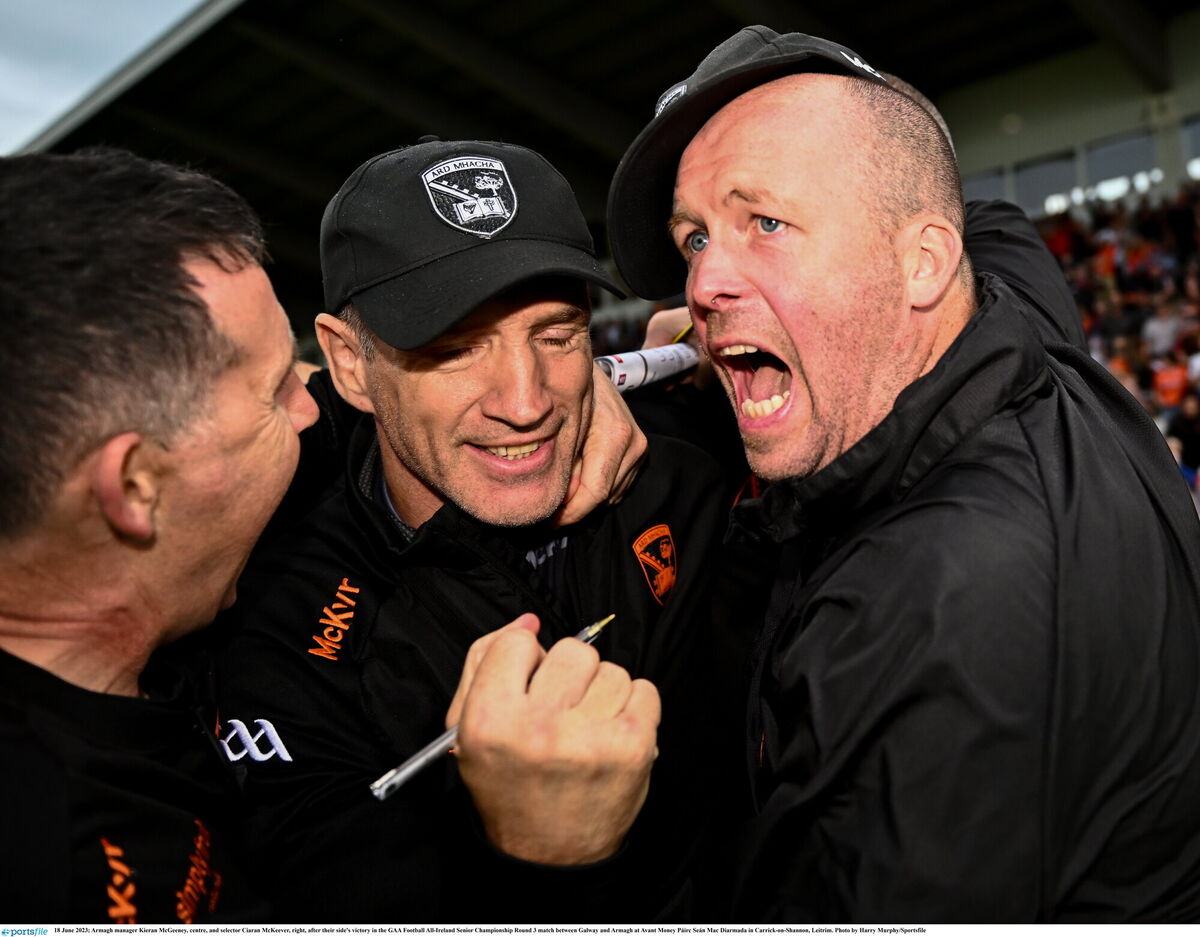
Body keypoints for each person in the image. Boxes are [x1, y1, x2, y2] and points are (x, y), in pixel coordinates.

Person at [456, 28, 1200, 922]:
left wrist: (561, 859)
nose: (703, 285)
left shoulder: (930, 614)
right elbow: (992, 226)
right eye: (695, 238)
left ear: (922, 261)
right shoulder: (1013, 317)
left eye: (765, 222)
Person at [213, 137, 724, 922]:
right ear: (349, 365)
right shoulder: (277, 634)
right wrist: (531, 860)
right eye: (454, 349)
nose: (524, 401)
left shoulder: (686, 460)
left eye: (556, 336)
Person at [0, 147, 319, 922]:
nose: (311, 410)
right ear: (135, 487)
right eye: (278, 387)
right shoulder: (56, 870)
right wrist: (543, 858)